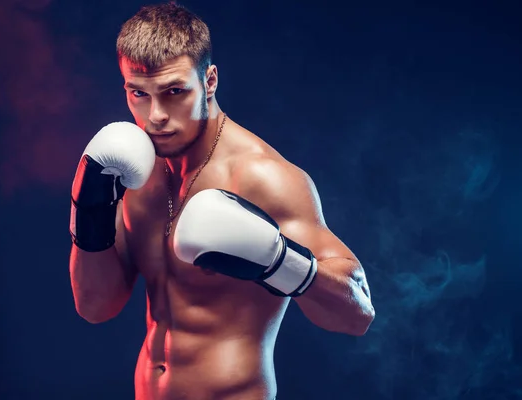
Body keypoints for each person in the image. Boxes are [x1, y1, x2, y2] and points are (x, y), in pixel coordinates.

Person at [69, 3, 375, 399]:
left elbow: (359, 315)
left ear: (209, 81)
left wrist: (280, 261)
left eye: (174, 91)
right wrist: (88, 207)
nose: (156, 115)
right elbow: (96, 306)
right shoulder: (132, 169)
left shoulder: (263, 177)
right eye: (138, 94)